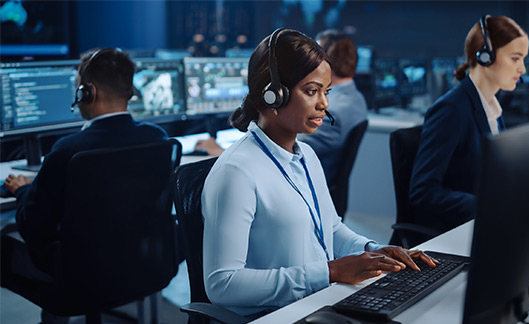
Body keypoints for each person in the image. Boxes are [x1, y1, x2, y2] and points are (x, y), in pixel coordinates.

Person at [201, 28, 438, 317]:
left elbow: (331, 229)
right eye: (312, 91)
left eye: (326, 92)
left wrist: (373, 251)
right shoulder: (237, 172)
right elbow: (222, 285)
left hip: (318, 305)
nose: (324, 104)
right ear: (273, 94)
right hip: (275, 315)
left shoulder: (307, 156)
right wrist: (330, 271)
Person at [1, 48, 168, 323]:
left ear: (87, 92)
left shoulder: (69, 150)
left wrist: (21, 190)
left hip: (77, 279)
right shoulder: (157, 139)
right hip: (141, 267)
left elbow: (33, 228)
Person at [195, 29, 368, 188]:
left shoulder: (308, 154)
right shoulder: (357, 99)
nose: (324, 104)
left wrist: (220, 151)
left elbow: (279, 153)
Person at [409, 15, 528, 234]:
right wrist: (486, 204)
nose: (522, 69)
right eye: (515, 58)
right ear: (485, 56)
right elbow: (422, 191)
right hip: (460, 232)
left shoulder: (492, 109)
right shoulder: (451, 110)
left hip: (489, 226)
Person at [297, 29, 368, 186]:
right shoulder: (357, 98)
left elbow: (293, 150)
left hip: (310, 188)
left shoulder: (331, 111)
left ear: (325, 62)